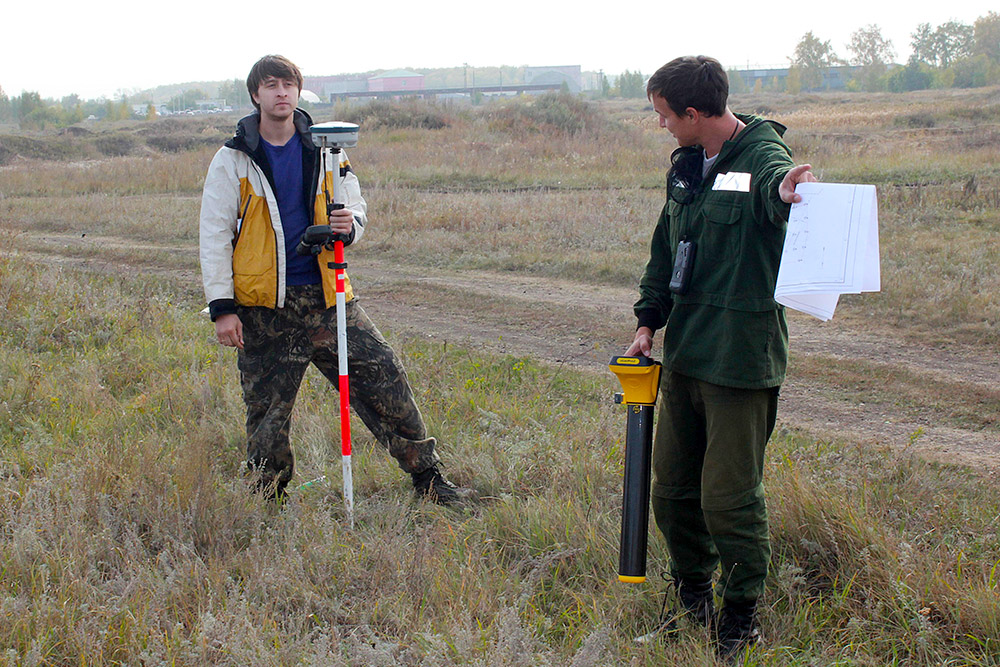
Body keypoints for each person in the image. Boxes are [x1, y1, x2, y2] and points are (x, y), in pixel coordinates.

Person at [199, 55, 469, 505]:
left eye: (288, 84)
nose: (281, 92)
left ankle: (428, 479)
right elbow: (214, 235)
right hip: (264, 309)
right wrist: (222, 308)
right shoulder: (233, 159)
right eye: (271, 85)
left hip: (329, 296)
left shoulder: (327, 148)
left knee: (384, 377)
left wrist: (350, 226)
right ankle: (266, 500)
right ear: (255, 94)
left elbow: (355, 205)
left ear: (298, 91)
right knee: (267, 415)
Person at [625, 56, 816, 660]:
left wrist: (786, 193)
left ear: (694, 112)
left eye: (664, 115)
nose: (661, 125)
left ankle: (740, 619)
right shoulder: (687, 164)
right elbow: (666, 248)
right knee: (673, 493)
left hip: (739, 358)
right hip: (686, 353)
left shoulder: (763, 156)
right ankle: (691, 603)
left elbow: (775, 191)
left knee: (728, 498)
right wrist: (647, 321)